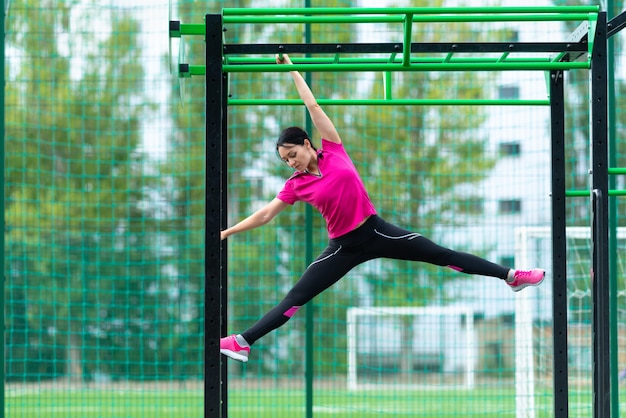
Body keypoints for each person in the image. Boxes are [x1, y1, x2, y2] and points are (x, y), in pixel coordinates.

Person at [219, 54, 545, 363]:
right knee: (296, 297)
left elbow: (312, 104)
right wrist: (227, 231)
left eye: (292, 154)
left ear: (307, 143)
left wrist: (290, 69)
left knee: (443, 254)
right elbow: (265, 214)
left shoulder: (333, 151)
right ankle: (242, 342)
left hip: (376, 231)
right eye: (285, 161)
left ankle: (512, 276)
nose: (291, 162)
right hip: (343, 248)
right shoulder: (295, 184)